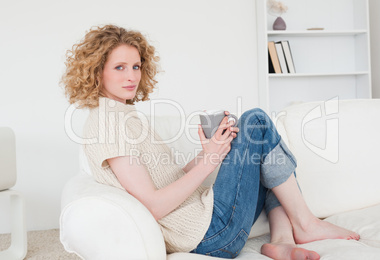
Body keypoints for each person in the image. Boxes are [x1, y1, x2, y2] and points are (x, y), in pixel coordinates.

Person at [62, 24, 359, 260]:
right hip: (210, 236)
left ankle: (281, 241)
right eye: (119, 67)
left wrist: (208, 152)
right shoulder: (108, 123)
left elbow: (165, 180)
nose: (132, 76)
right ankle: (306, 223)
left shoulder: (123, 115)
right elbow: (152, 206)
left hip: (209, 222)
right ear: (96, 70)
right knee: (256, 120)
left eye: (136, 66)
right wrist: (210, 161)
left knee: (260, 155)